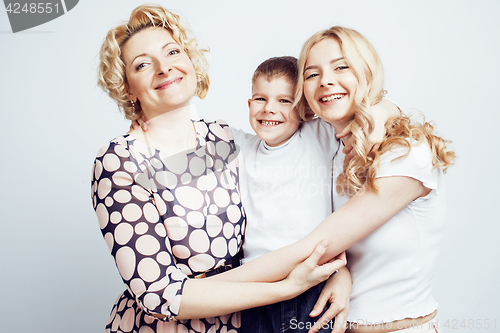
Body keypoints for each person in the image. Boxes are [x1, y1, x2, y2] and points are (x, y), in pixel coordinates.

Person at [91, 5, 344, 333]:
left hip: (244, 323)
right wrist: (286, 288)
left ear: (191, 61)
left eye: (172, 52)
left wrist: (341, 271)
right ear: (127, 86)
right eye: (142, 64)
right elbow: (159, 296)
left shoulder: (220, 138)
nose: (164, 68)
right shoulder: (119, 162)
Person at [216, 26, 455, 333]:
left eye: (341, 66)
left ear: (367, 72)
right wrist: (341, 275)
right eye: (312, 73)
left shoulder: (406, 154)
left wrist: (202, 292)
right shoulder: (331, 149)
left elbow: (315, 246)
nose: (326, 80)